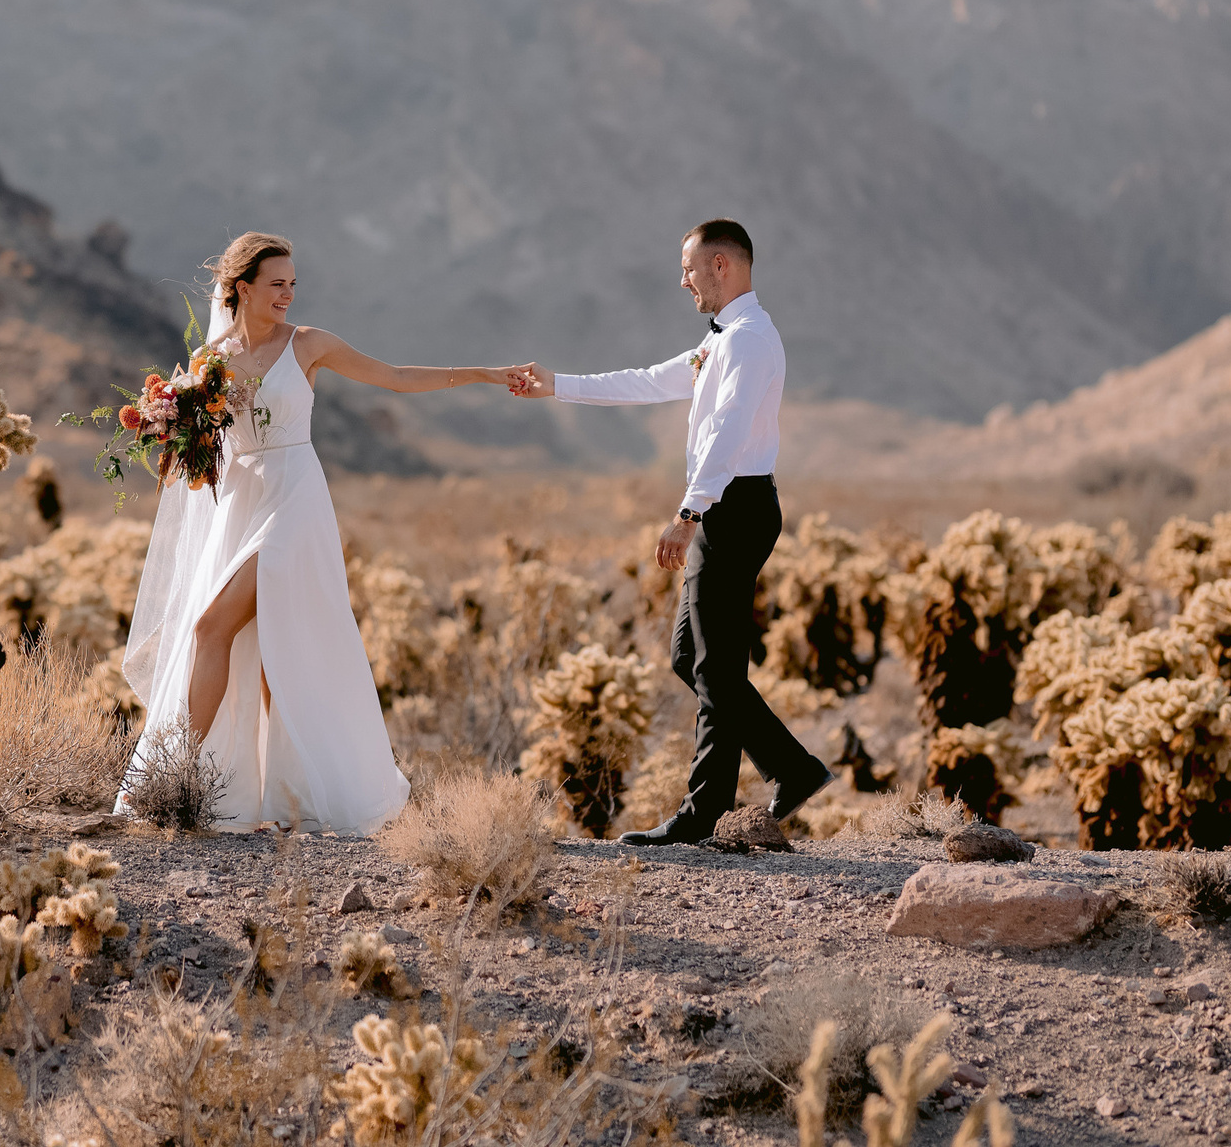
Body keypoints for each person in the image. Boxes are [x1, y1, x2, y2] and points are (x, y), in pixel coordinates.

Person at [118, 231, 529, 833]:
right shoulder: (211, 363)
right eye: (275, 284)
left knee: (212, 627)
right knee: (267, 649)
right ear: (240, 288)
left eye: (292, 283)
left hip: (294, 500)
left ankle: (178, 776)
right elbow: (205, 451)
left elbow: (393, 376)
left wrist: (483, 374)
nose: (287, 294)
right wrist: (173, 433)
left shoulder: (308, 344)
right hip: (241, 502)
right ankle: (274, 794)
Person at [508, 219, 831, 844]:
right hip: (726, 506)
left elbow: (731, 430)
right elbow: (651, 380)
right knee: (694, 658)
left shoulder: (749, 341)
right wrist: (557, 385)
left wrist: (688, 514)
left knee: (713, 666)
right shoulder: (724, 339)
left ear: (721, 266)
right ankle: (792, 767)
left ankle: (704, 813)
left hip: (733, 508)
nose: (682, 281)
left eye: (689, 269)